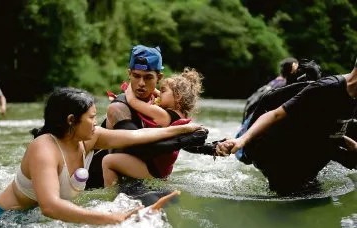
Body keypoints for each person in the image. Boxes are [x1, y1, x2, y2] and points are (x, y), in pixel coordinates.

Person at [0, 88, 202, 224]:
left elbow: (138, 135)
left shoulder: (89, 138)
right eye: (91, 117)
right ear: (71, 120)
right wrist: (112, 219)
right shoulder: (44, 149)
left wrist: (182, 129)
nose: (96, 122)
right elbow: (50, 207)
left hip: (32, 222)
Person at [216, 58, 357, 195]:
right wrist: (242, 140)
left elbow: (323, 129)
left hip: (308, 160)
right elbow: (275, 115)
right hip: (283, 161)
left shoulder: (344, 97)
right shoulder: (324, 89)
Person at [86, 45, 209, 190]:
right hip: (101, 182)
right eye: (136, 76)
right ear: (129, 74)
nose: (141, 84)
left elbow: (167, 140)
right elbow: (139, 147)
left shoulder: (158, 103)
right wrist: (184, 138)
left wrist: (209, 148)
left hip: (138, 177)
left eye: (148, 77)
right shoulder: (119, 108)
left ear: (159, 78)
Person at [102, 67, 203, 187]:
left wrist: (130, 87)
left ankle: (111, 197)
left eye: (163, 91)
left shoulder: (163, 114)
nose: (159, 94)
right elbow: (165, 96)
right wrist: (155, 90)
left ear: (178, 97)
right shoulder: (180, 115)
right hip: (162, 170)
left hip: (152, 170)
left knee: (108, 161)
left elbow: (133, 102)